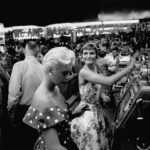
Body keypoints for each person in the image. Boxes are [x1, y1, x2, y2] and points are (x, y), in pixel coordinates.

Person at [71, 43, 139, 150]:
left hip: (96, 108)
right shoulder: (84, 72)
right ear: (81, 56)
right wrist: (128, 68)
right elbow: (108, 81)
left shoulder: (94, 68)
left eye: (92, 53)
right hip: (87, 111)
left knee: (101, 140)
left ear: (96, 55)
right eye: (85, 53)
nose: (88, 56)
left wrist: (101, 94)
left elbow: (92, 85)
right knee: (93, 144)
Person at [23, 47, 88, 150]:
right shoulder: (44, 101)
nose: (68, 77)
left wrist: (74, 114)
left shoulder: (55, 88)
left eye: (69, 73)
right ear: (50, 70)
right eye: (64, 73)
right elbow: (54, 147)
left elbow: (57, 121)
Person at [7, 41, 44, 150]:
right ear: (37, 50)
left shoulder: (19, 65)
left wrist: (10, 109)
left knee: (24, 142)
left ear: (24, 49)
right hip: (40, 109)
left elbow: (14, 92)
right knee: (37, 141)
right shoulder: (42, 67)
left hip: (24, 111)